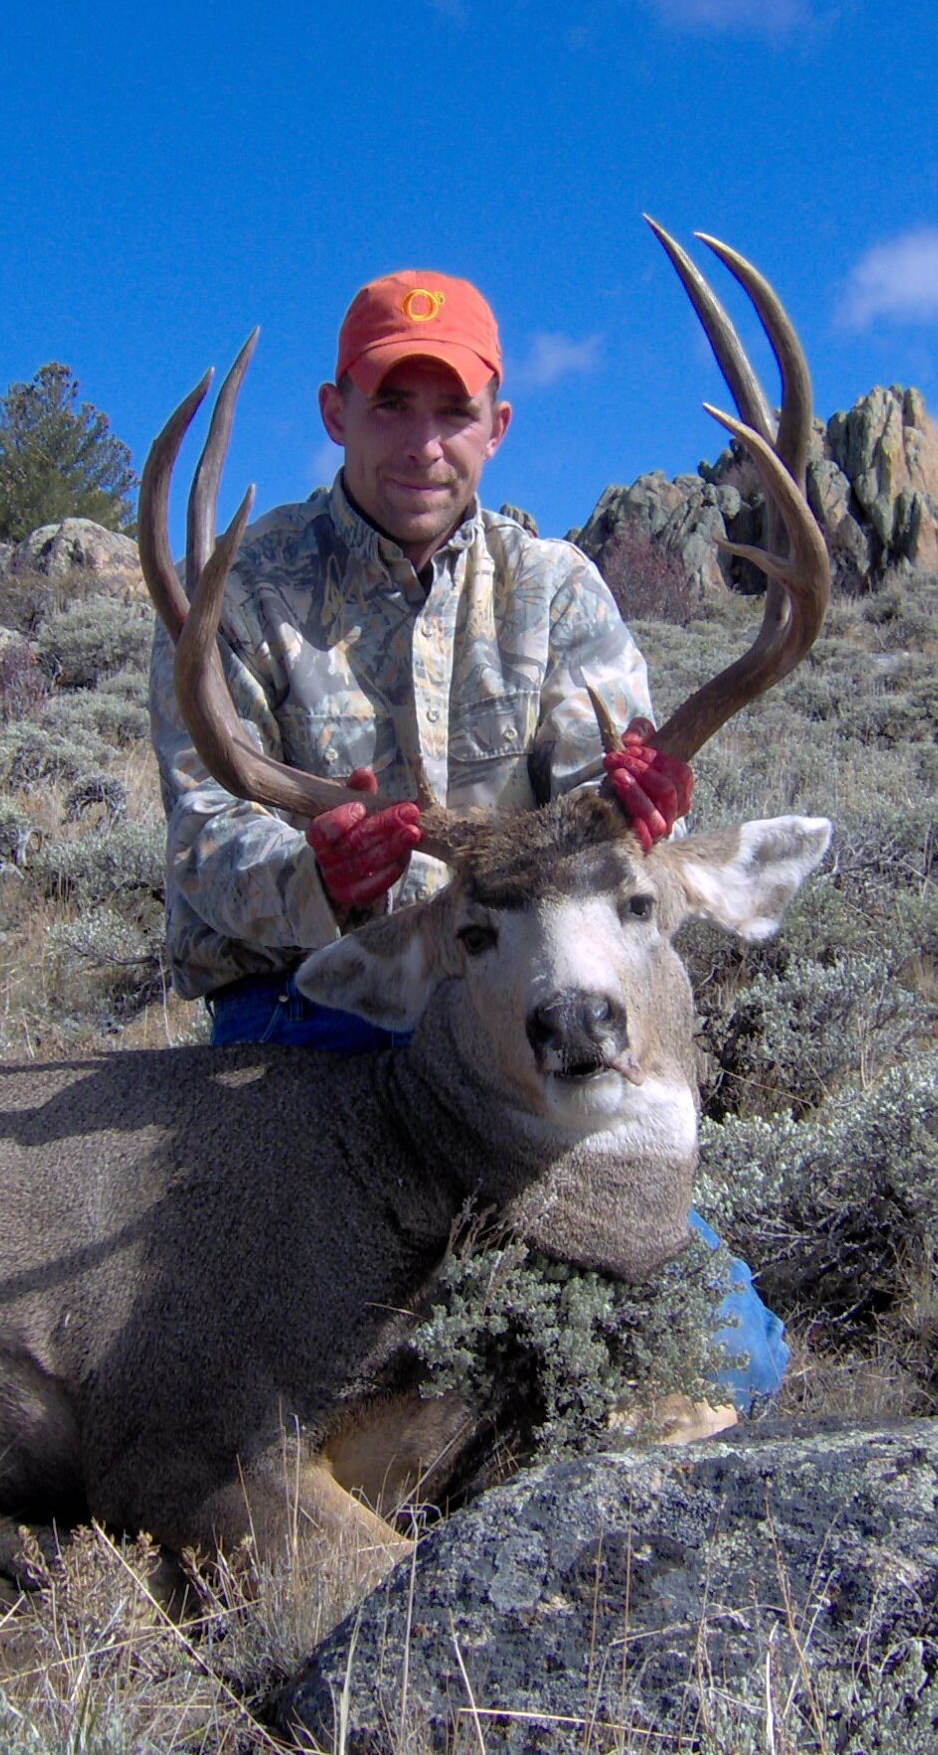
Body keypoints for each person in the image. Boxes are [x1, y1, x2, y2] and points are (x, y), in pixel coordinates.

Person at [146, 268, 787, 1415]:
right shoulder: (237, 597)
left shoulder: (554, 592)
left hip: (524, 1018)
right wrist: (315, 884)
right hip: (308, 1017)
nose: (422, 443)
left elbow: (607, 820)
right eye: (391, 405)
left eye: (452, 411)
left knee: (735, 1356)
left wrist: (642, 812)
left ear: (497, 425)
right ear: (335, 412)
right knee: (303, 1369)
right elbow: (204, 827)